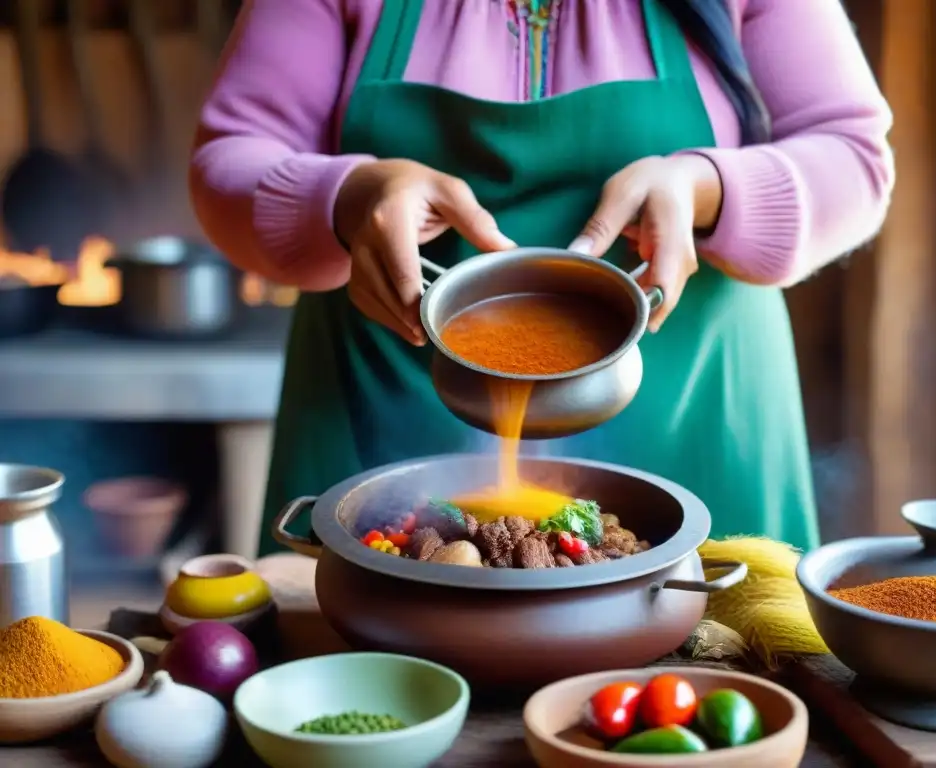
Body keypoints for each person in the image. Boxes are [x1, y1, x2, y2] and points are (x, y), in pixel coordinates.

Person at [191, 0, 894, 557]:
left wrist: (706, 185)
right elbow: (226, 162)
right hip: (391, 393)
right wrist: (347, 198)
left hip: (695, 400)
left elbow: (855, 161)